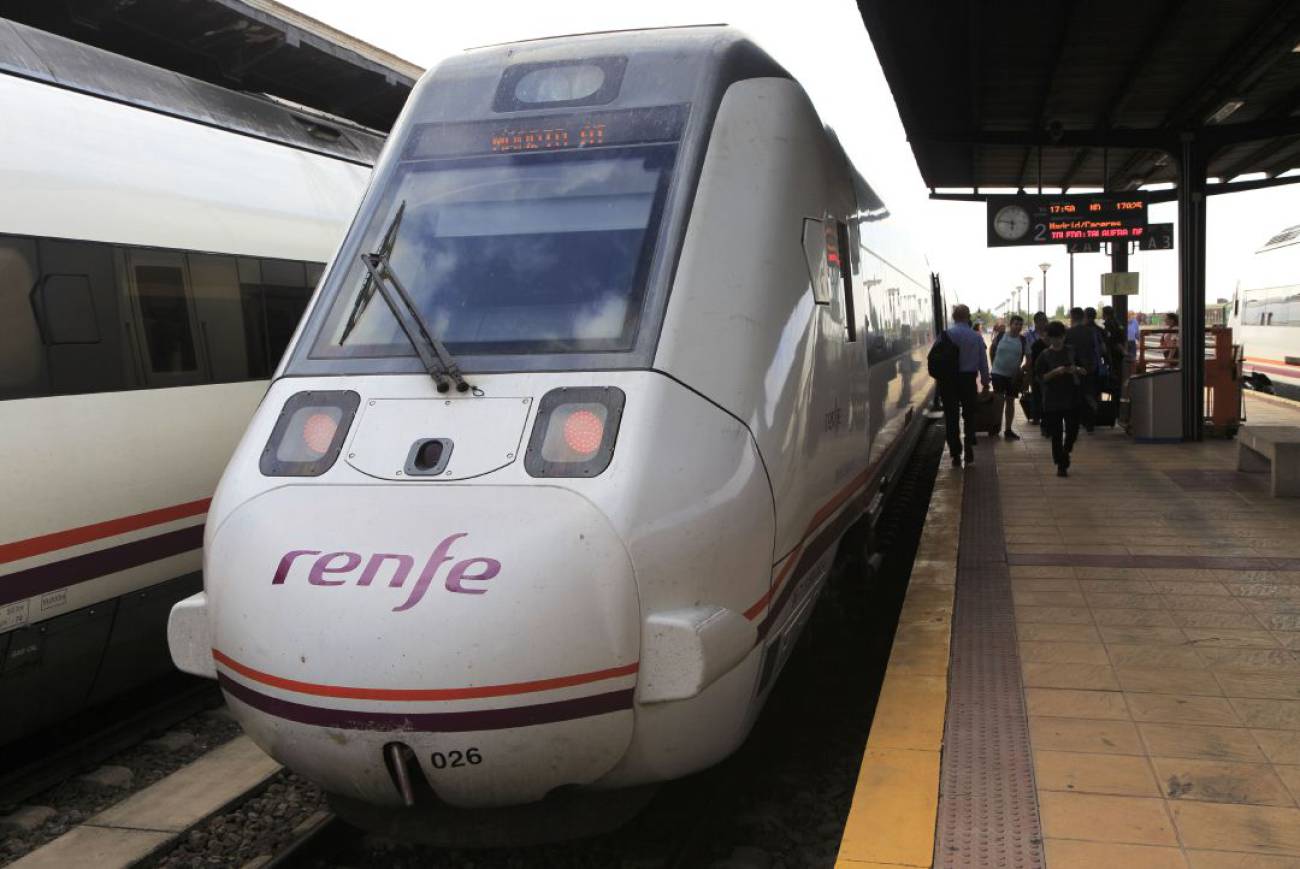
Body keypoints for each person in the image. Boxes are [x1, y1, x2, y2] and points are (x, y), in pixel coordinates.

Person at [934, 304, 990, 468]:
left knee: (951, 417)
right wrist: (985, 382)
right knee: (969, 414)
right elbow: (983, 362)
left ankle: (955, 454)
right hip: (968, 380)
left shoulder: (945, 335)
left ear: (953, 317)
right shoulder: (976, 336)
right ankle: (968, 445)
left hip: (948, 381)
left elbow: (936, 357)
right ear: (968, 316)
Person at [1035, 321, 1086, 478]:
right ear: (1049, 338)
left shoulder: (1072, 352)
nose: (1057, 341)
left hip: (1072, 397)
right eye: (1054, 338)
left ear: (1064, 337)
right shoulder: (1044, 356)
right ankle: (1061, 464)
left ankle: (1066, 451)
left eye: (1060, 337)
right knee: (1056, 434)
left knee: (1072, 431)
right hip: (1053, 399)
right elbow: (1040, 378)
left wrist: (1075, 369)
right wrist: (1055, 372)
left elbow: (1084, 370)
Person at [989, 313, 1031, 439]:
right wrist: (993, 366)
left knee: (1010, 401)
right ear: (1010, 325)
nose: (1018, 327)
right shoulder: (1001, 336)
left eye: (1020, 325)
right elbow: (992, 350)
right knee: (998, 401)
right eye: (1015, 324)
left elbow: (1029, 359)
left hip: (1013, 377)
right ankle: (995, 427)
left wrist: (1022, 369)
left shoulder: (1023, 340)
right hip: (998, 374)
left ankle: (1008, 430)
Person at [1065, 307, 1100, 432]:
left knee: (1074, 396)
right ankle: (1089, 423)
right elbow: (1098, 350)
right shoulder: (1091, 332)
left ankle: (1076, 422)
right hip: (1090, 368)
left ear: (1072, 317)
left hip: (1075, 368)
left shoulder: (1068, 333)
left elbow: (1067, 352)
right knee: (1089, 394)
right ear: (1082, 316)